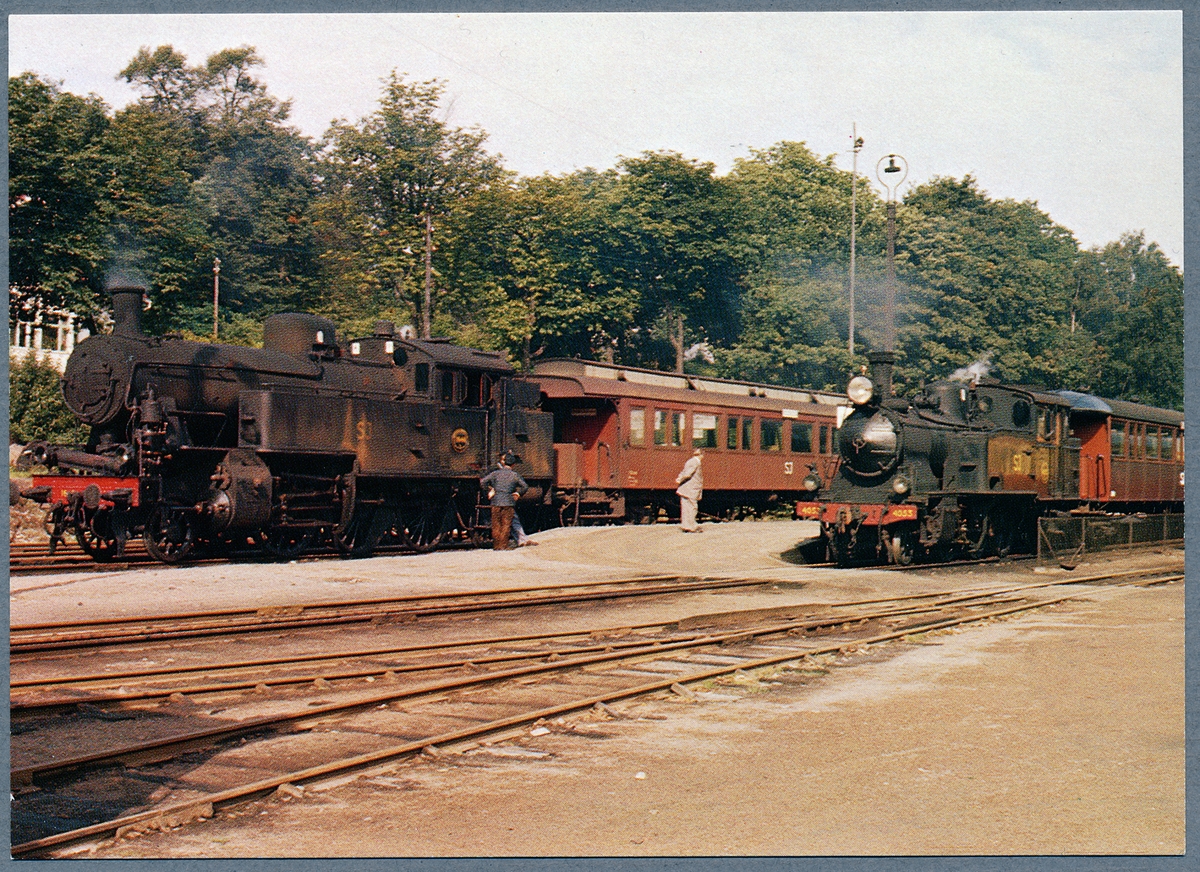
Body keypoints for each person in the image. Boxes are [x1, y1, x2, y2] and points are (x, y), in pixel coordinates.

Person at [480, 452, 528, 550]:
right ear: (513, 464)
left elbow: (483, 482)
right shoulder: (515, 475)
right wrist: (518, 493)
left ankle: (496, 546)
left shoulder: (495, 473)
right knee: (506, 525)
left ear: (503, 462)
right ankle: (503, 546)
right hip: (508, 503)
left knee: (496, 525)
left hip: (496, 502)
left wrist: (490, 490)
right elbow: (525, 486)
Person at [675, 448, 703, 532]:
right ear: (701, 455)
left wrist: (679, 479)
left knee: (685, 508)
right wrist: (680, 479)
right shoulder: (695, 462)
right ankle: (692, 527)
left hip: (686, 488)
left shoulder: (690, 461)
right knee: (692, 507)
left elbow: (683, 472)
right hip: (691, 489)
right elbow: (687, 474)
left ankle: (686, 526)